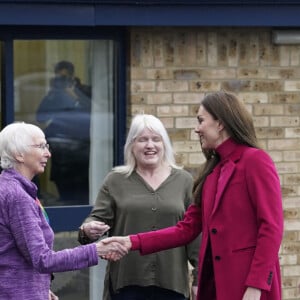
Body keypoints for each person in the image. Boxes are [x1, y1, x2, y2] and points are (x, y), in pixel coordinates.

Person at [103, 91, 284, 300]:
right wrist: (131, 242)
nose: (197, 128)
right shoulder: (212, 172)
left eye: (201, 120)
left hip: (246, 287)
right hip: (215, 288)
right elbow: (186, 229)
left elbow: (272, 227)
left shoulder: (255, 161)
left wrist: (256, 286)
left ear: (220, 123)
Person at [78, 114, 200, 300]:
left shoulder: (184, 181)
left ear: (164, 144)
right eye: (142, 139)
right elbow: (97, 219)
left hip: (172, 284)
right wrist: (88, 229)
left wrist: (199, 278)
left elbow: (195, 235)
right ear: (132, 146)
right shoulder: (115, 180)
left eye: (156, 139)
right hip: (127, 283)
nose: (150, 145)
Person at [0, 122, 127, 300]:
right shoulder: (17, 196)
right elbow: (42, 259)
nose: (48, 153)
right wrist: (96, 250)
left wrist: (41, 287)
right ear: (18, 154)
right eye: (41, 146)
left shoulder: (13, 188)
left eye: (47, 146)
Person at [36, 61, 91, 204]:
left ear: (73, 76)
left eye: (65, 77)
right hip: (61, 150)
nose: (62, 81)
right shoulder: (54, 94)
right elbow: (41, 117)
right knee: (64, 187)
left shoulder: (83, 90)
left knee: (81, 191)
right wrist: (52, 94)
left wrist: (75, 93)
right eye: (59, 78)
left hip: (81, 148)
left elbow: (97, 113)